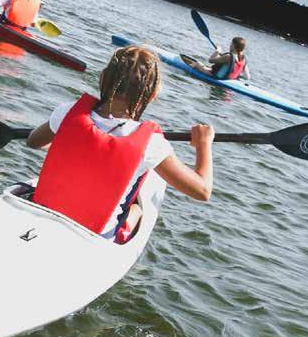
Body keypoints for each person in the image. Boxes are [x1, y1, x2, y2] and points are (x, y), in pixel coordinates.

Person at [27, 45, 214, 243]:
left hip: (43, 215)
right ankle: (135, 213)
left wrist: (75, 148)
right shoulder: (153, 145)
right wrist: (204, 143)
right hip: (94, 236)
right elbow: (202, 191)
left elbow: (33, 141)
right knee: (137, 207)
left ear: (102, 78)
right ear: (152, 95)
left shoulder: (67, 112)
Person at [184, 36, 249, 81]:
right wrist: (236, 76)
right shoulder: (243, 59)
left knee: (196, 63)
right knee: (207, 67)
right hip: (229, 79)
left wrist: (217, 52)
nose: (230, 45)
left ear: (234, 46)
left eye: (231, 44)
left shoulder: (228, 57)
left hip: (216, 77)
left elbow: (211, 60)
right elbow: (247, 77)